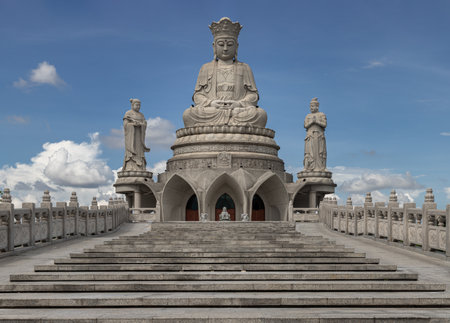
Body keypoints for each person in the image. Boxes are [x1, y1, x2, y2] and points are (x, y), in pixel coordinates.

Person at [182, 17, 267, 128]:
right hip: (213, 111)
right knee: (188, 114)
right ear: (214, 47)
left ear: (236, 47)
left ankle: (228, 121)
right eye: (221, 44)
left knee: (260, 114)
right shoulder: (206, 68)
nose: (226, 48)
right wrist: (211, 103)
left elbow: (253, 96)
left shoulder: (245, 67)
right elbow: (198, 95)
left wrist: (238, 104)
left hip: (237, 111)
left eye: (230, 45)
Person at [123, 98, 150, 171]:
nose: (138, 107)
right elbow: (125, 125)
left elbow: (145, 124)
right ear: (132, 105)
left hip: (139, 136)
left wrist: (141, 125)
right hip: (132, 137)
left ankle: (141, 167)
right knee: (132, 150)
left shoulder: (141, 115)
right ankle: (130, 166)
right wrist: (133, 125)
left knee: (140, 151)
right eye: (136, 105)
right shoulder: (128, 113)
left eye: (139, 105)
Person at [303, 98, 327, 171]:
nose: (311, 108)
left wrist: (316, 121)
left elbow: (324, 124)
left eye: (313, 106)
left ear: (317, 106)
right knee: (309, 153)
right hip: (310, 136)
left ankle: (322, 167)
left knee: (321, 152)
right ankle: (307, 167)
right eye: (310, 106)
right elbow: (305, 125)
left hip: (319, 136)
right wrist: (311, 122)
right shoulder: (308, 116)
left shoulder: (321, 114)